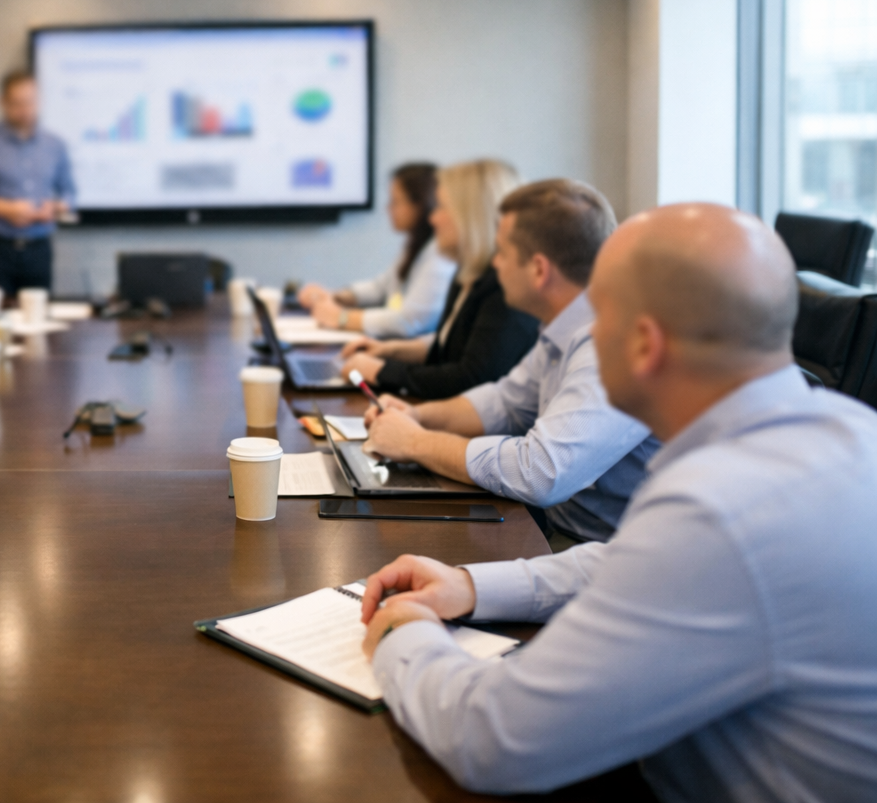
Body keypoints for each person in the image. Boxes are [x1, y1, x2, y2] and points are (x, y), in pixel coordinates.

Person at [358, 203, 877, 801]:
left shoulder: (719, 510)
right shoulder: (846, 430)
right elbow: (637, 561)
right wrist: (472, 585)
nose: (584, 334)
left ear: (643, 345)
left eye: (598, 316)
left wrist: (406, 633)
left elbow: (493, 741)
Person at [362, 179, 658, 546]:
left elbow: (540, 471)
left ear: (538, 270)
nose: (494, 263)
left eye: (501, 252)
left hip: (600, 554)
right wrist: (419, 416)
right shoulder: (562, 328)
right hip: (559, 535)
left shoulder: (607, 344)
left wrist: (417, 443)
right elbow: (504, 402)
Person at [340, 159, 538, 399]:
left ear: (471, 216)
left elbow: (471, 378)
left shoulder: (503, 286)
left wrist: (383, 370)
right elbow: (456, 346)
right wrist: (393, 351)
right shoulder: (467, 272)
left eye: (442, 207)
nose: (433, 219)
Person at [0, 69, 77, 295]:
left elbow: (70, 193)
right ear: (3, 103)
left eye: (30, 102)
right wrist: (5, 209)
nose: (24, 110)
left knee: (38, 316)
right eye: (17, 103)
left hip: (39, 247)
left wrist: (56, 207)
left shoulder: (55, 144)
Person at [297, 163, 457, 339]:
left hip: (410, 354)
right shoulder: (416, 245)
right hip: (395, 348)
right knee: (347, 365)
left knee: (348, 367)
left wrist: (341, 317)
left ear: (420, 204)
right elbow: (381, 288)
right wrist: (335, 297)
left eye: (395, 202)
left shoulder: (439, 254)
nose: (388, 209)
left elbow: (410, 321)